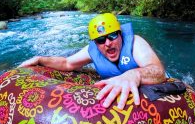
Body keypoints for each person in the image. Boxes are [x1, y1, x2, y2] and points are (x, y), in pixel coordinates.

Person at [19, 13, 166, 110]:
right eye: (101, 40)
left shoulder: (136, 43)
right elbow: (67, 63)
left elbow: (159, 71)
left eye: (112, 36)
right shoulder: (93, 50)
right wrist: (40, 59)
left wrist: (134, 75)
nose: (107, 43)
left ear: (120, 34)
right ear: (96, 43)